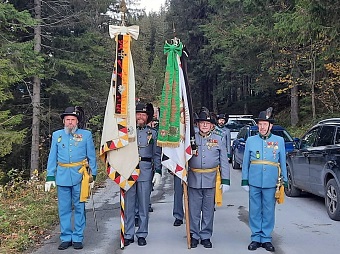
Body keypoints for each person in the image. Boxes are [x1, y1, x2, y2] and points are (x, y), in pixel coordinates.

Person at [44, 106, 97, 250]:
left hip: (80, 177)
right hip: (62, 176)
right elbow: (52, 156)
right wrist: (50, 175)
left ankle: (78, 237)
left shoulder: (86, 135)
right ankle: (66, 237)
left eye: (73, 120)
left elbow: (91, 156)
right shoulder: (57, 135)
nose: (70, 122)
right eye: (67, 120)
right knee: (64, 208)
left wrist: (94, 175)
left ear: (77, 122)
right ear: (63, 121)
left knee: (80, 207)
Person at [241, 107, 287, 252]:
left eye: (265, 124)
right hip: (254, 181)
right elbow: (246, 162)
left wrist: (284, 180)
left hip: (271, 182)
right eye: (260, 124)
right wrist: (245, 180)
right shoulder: (251, 140)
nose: (262, 127)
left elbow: (282, 161)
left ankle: (266, 238)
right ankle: (255, 237)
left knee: (268, 210)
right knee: (254, 210)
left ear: (270, 126)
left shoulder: (279, 141)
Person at [188, 107, 230, 248]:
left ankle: (205, 235)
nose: (204, 125)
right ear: (197, 124)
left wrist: (225, 181)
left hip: (211, 179)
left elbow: (224, 161)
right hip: (193, 178)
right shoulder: (191, 139)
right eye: (201, 123)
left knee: (208, 210)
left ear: (212, 125)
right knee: (193, 210)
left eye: (207, 123)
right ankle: (194, 235)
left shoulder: (218, 139)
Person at [124, 102, 162, 247]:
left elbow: (156, 154)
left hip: (145, 170)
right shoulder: (126, 132)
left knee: (144, 205)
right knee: (129, 204)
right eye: (138, 114)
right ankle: (128, 234)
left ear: (147, 117)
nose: (140, 117)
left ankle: (142, 233)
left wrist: (158, 171)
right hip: (129, 170)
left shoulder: (153, 133)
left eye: (143, 115)